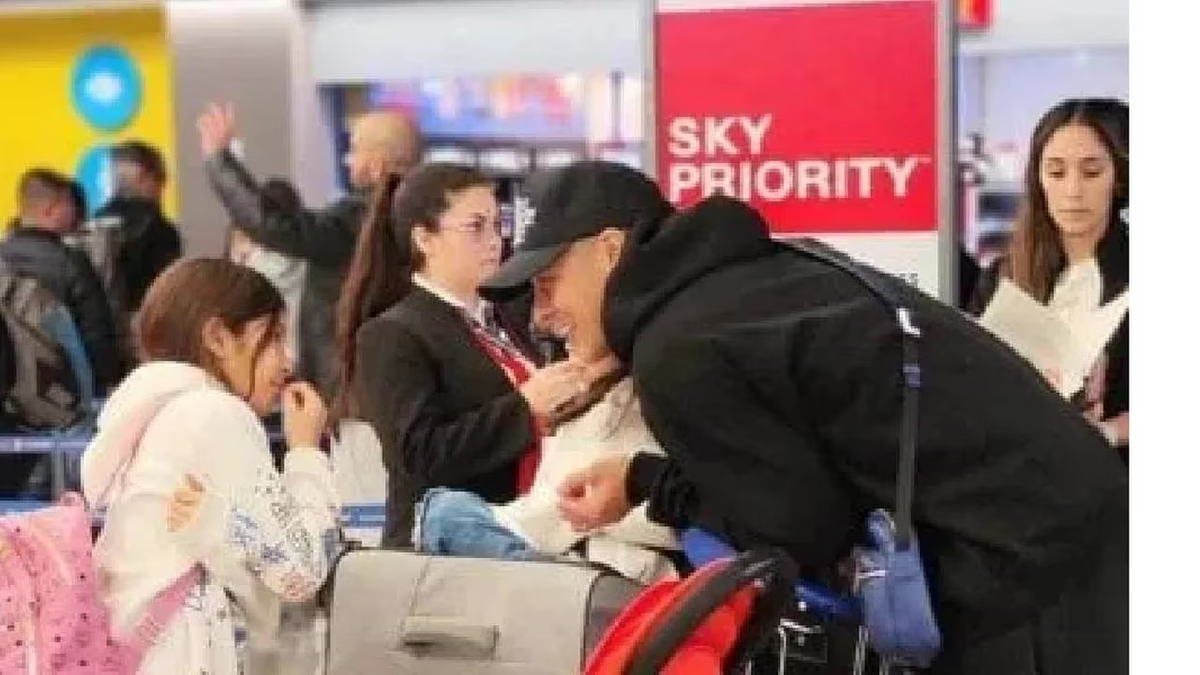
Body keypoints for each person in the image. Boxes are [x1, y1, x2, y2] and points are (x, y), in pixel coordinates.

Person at [480, 161, 1128, 675]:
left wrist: (655, 486)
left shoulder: (678, 348)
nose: (540, 315)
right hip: (1068, 526)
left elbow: (798, 534)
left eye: (548, 282)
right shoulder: (742, 284)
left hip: (1033, 574)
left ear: (610, 249)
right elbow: (803, 481)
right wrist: (643, 479)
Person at [81, 258, 339, 674]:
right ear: (218, 337)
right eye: (272, 338)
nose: (287, 362)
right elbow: (301, 570)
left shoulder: (151, 415)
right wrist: (307, 452)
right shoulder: (213, 415)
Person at [335, 163, 594, 548]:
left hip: (515, 530)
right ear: (425, 239)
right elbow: (418, 455)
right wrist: (525, 408)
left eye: (498, 224)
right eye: (476, 227)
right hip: (441, 550)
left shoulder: (501, 317)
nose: (495, 240)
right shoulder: (393, 333)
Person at [199, 103, 422, 399]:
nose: (349, 160)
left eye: (355, 150)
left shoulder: (359, 218)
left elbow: (272, 225)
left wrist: (219, 160)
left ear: (377, 163)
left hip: (345, 382)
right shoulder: (422, 214)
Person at [969, 98, 1129, 459]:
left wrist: (1107, 431)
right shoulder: (1001, 277)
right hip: (1015, 482)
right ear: (1038, 178)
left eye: (1091, 173)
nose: (1073, 191)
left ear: (1119, 177)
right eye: (1056, 172)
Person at [1, 168, 122, 392]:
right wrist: (108, 381)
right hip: (61, 396)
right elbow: (96, 334)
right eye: (69, 204)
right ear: (51, 210)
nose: (75, 211)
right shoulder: (70, 261)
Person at [93, 140, 184, 314]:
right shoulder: (159, 231)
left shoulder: (93, 225)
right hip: (144, 327)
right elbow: (170, 294)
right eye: (160, 179)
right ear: (145, 177)